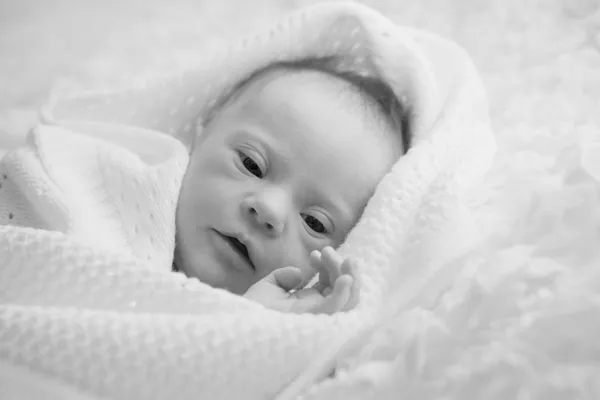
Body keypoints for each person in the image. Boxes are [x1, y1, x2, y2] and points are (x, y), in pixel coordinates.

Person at [174, 56, 408, 313]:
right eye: (252, 164)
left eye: (314, 222)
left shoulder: (278, 333)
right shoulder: (129, 198)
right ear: (201, 133)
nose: (270, 209)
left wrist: (254, 323)